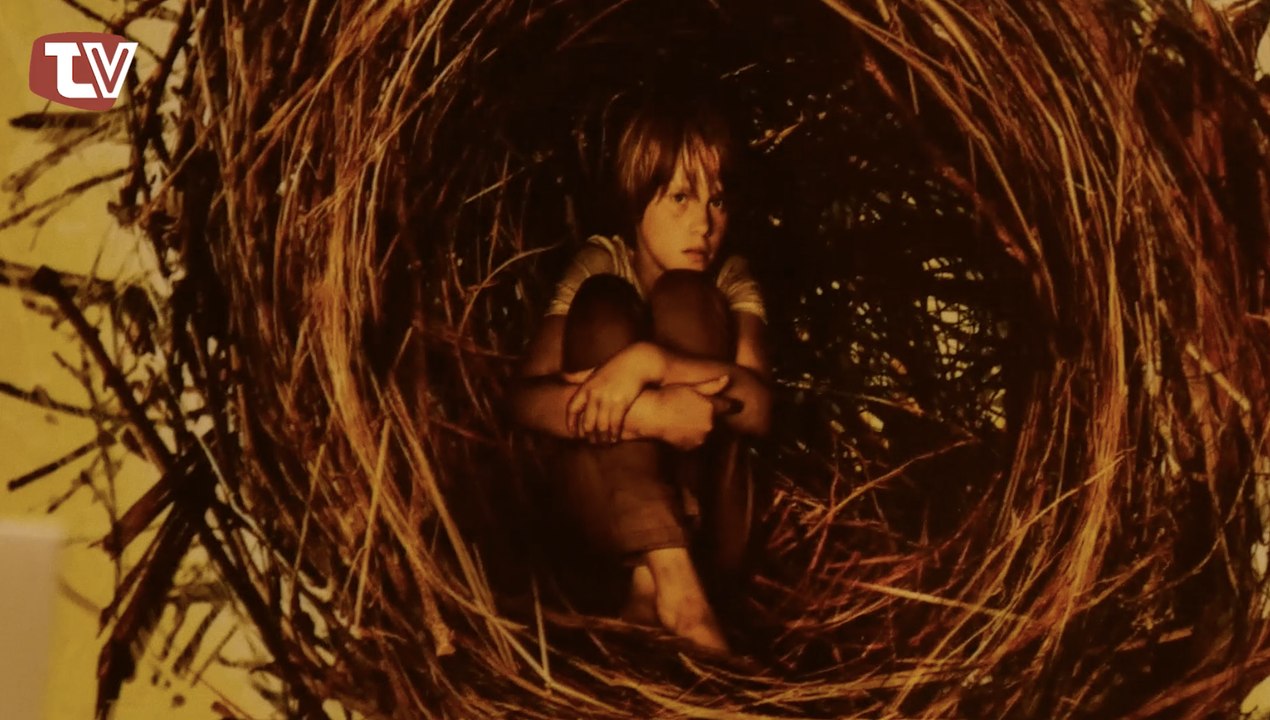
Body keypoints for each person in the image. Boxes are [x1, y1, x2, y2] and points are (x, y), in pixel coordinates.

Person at [509, 91, 771, 653]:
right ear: (635, 197)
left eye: (718, 201)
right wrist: (650, 415)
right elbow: (524, 401)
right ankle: (672, 585)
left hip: (713, 535)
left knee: (687, 298)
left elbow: (760, 407)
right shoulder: (600, 262)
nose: (703, 223)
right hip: (603, 527)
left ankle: (656, 589)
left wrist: (651, 363)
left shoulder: (730, 277)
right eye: (680, 196)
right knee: (604, 304)